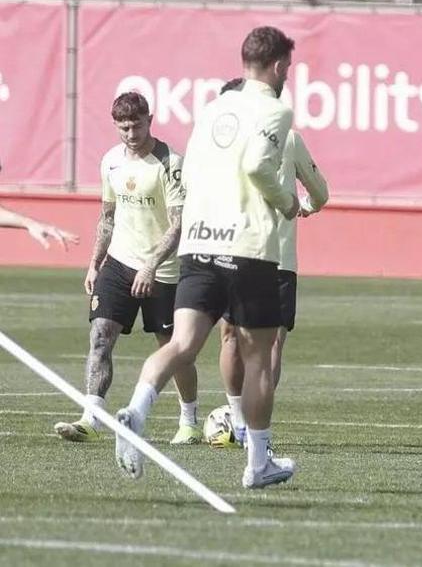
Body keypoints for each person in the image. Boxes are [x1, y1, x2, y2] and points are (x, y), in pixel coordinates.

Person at [113, 26, 301, 489]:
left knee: (181, 344)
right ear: (279, 66)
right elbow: (258, 165)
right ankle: (258, 463)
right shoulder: (276, 109)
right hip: (247, 247)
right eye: (288, 68)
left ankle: (136, 410)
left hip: (199, 244)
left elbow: (191, 171)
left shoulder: (213, 109)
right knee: (258, 358)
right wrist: (286, 201)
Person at [53, 92, 201, 444]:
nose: (131, 134)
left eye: (136, 126)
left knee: (174, 349)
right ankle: (91, 419)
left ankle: (189, 422)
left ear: (150, 120)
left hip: (163, 272)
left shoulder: (170, 163)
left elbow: (178, 224)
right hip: (119, 265)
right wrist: (94, 264)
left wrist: (150, 266)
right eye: (123, 128)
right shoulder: (111, 162)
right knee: (100, 336)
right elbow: (107, 217)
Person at [211, 77, 329, 447]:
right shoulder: (288, 139)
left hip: (233, 250)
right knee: (271, 344)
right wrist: (304, 206)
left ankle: (239, 420)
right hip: (278, 257)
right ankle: (252, 426)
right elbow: (321, 192)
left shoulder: (222, 142)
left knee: (230, 335)